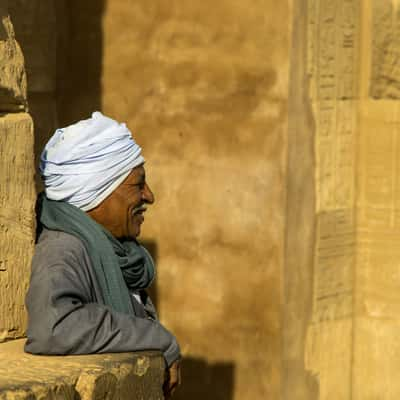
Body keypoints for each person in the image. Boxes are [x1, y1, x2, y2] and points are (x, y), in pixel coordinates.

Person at [25, 112, 181, 397]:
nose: (149, 196)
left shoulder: (115, 250)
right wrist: (158, 338)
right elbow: (54, 325)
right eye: (138, 185)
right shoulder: (63, 248)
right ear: (97, 192)